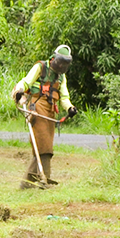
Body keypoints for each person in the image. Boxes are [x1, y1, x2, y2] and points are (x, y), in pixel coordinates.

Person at [12, 44, 76, 187]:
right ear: (53, 58)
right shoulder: (41, 67)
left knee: (42, 145)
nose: (61, 66)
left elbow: (64, 97)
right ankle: (45, 178)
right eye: (60, 62)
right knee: (44, 145)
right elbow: (26, 82)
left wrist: (70, 108)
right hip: (37, 106)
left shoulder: (61, 77)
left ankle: (27, 183)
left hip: (50, 110)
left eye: (65, 63)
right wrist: (19, 91)